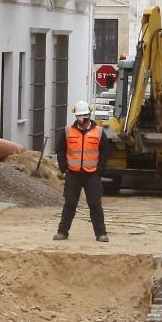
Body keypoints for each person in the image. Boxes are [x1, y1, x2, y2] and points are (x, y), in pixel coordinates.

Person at [54, 101, 109, 242]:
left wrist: (100, 170)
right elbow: (60, 149)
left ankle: (101, 234)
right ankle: (62, 232)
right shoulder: (68, 131)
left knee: (95, 204)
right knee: (70, 203)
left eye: (84, 115)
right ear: (76, 116)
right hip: (73, 174)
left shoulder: (99, 132)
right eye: (79, 115)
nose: (82, 118)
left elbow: (105, 152)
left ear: (90, 115)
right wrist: (63, 167)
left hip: (92, 174)